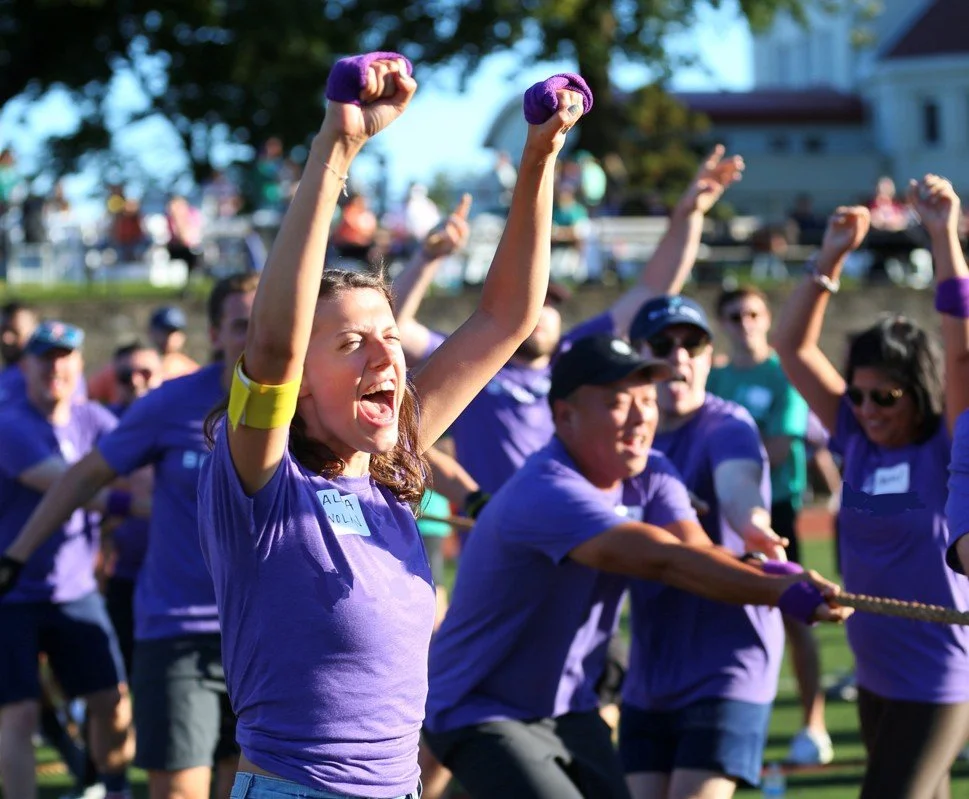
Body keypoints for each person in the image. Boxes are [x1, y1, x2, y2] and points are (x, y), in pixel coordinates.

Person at [193, 55, 592, 798]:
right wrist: (336, 148)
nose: (388, 353)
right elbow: (274, 347)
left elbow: (505, 317)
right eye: (350, 343)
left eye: (389, 336)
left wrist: (539, 159)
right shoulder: (260, 483)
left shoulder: (386, 466)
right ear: (300, 384)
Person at [422, 333, 849, 799]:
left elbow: (697, 551)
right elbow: (665, 562)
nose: (641, 416)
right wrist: (779, 592)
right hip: (479, 708)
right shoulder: (548, 490)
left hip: (569, 707)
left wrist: (764, 572)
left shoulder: (652, 473)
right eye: (618, 402)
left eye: (647, 400)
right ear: (565, 415)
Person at [1, 272, 259, 799]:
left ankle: (106, 783)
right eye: (241, 325)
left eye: (64, 357)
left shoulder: (310, 406)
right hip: (166, 626)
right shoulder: (166, 404)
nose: (257, 338)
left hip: (262, 633)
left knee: (240, 783)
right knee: (26, 716)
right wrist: (17, 554)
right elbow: (81, 479)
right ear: (213, 333)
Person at [774, 176, 969, 799]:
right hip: (875, 671)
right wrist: (830, 255)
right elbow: (791, 345)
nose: (866, 408)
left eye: (884, 396)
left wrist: (942, 235)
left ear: (917, 392)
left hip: (939, 677)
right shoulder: (851, 436)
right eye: (855, 395)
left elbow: (960, 349)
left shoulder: (947, 444)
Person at [616, 296, 786, 799]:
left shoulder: (727, 424)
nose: (680, 357)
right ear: (638, 355)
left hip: (728, 661)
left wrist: (753, 524)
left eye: (694, 345)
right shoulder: (626, 439)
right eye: (664, 345)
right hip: (651, 669)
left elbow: (740, 488)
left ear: (710, 357)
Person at [0, 321, 136, 799]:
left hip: (75, 589)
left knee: (112, 702)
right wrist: (127, 506)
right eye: (45, 358)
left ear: (80, 367)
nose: (55, 368)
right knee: (16, 714)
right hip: (11, 592)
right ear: (26, 367)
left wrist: (121, 517)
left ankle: (110, 788)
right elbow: (66, 484)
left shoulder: (95, 420)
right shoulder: (11, 422)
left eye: (65, 358)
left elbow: (138, 472)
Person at [707, 285, 832, 765]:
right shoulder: (716, 379)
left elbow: (777, 449)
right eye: (735, 315)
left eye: (754, 313)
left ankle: (813, 723)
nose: (745, 323)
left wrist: (731, 444)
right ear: (724, 322)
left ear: (766, 317)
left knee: (797, 613)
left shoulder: (784, 375)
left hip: (774, 510)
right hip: (719, 513)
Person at [101, 341, 164, 676]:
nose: (137, 381)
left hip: (176, 578)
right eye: (126, 375)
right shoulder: (102, 426)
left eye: (146, 372)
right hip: (120, 574)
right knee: (119, 678)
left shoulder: (186, 423)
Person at [148, 305, 199, 380]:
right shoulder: (141, 367)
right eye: (163, 331)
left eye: (173, 332)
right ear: (151, 332)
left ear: (182, 335)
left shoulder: (192, 370)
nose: (168, 337)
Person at [0, 300, 38, 402]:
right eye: (3, 330)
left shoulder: (50, 378)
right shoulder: (4, 376)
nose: (6, 338)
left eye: (15, 332)